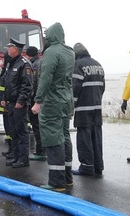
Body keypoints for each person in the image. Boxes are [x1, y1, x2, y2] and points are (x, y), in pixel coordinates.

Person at [31, 22, 74, 192]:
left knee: (53, 138)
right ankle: (67, 178)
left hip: (53, 101)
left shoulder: (51, 52)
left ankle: (57, 182)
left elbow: (46, 78)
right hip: (66, 100)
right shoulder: (69, 51)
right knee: (65, 137)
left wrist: (38, 101)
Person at [71, 43, 105, 176]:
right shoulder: (98, 64)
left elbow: (75, 88)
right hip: (97, 108)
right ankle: (98, 165)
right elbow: (102, 87)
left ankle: (86, 166)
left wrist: (71, 106)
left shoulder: (78, 65)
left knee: (84, 138)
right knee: (96, 136)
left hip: (83, 108)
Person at [1, 38, 34, 168]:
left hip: (18, 104)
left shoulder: (24, 64)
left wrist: (21, 101)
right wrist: (3, 98)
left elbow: (27, 85)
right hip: (10, 103)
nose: (7, 49)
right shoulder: (11, 63)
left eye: (10, 47)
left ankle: (23, 158)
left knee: (21, 131)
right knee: (13, 131)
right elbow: (6, 83)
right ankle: (16, 156)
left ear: (15, 49)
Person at [26, 46, 46, 161]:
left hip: (35, 100)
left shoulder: (34, 65)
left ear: (29, 55)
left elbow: (34, 83)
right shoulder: (41, 62)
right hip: (41, 99)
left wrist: (34, 99)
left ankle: (40, 151)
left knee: (37, 125)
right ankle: (43, 149)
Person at [0, 53, 13, 157]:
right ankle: (11, 149)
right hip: (5, 102)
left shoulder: (10, 70)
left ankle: (13, 150)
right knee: (7, 126)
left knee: (11, 126)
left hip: (9, 102)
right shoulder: (6, 69)